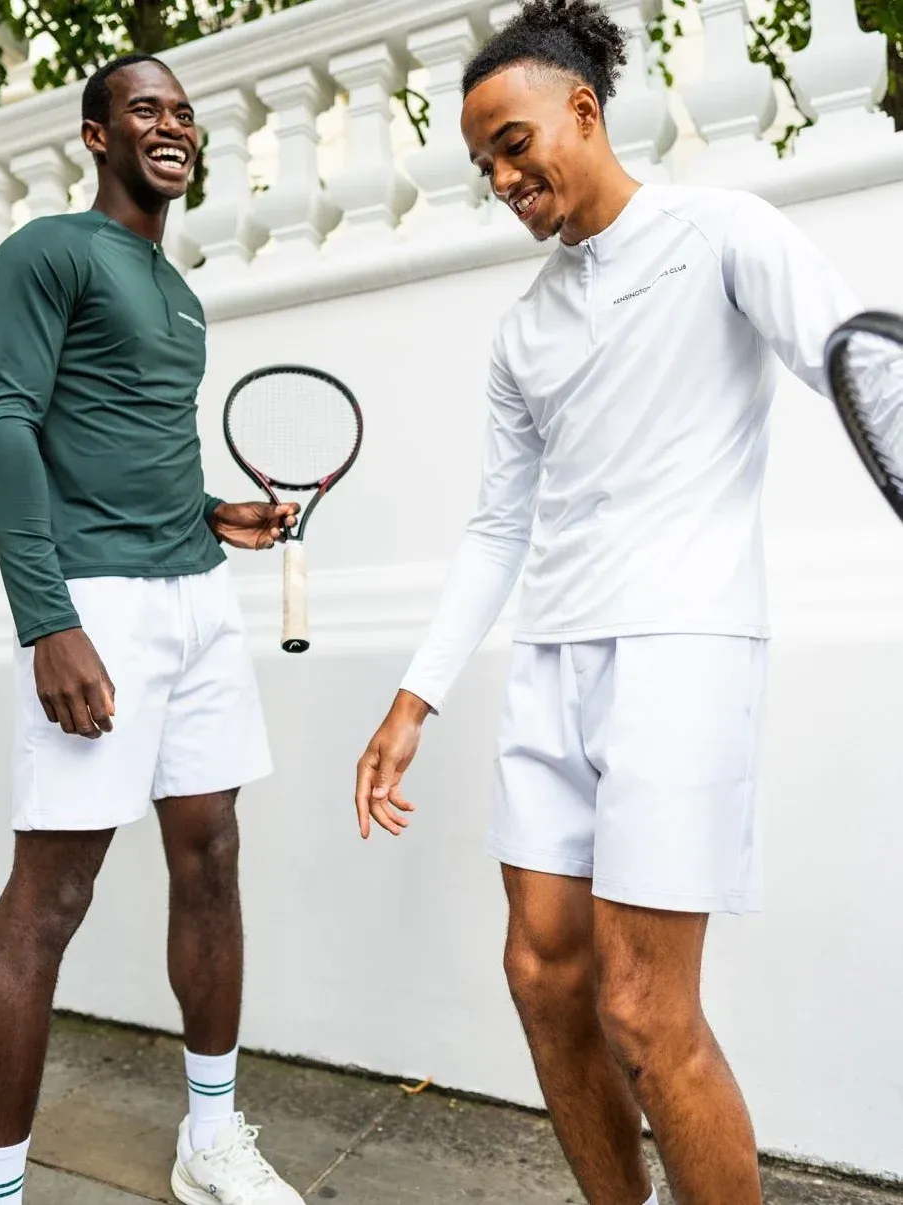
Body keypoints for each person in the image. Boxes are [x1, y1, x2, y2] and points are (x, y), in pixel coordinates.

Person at [354, 2, 861, 1203]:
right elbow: (498, 525)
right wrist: (414, 697)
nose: (501, 178)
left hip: (682, 651)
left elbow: (852, 359)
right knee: (542, 975)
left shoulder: (722, 233)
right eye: (483, 163)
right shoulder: (523, 329)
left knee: (643, 1005)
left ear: (582, 109)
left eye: (512, 144)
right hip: (551, 661)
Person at [0, 53, 304, 1205]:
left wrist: (211, 512)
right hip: (95, 603)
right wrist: (46, 620)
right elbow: (6, 424)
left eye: (185, 113)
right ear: (97, 136)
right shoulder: (46, 252)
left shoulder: (181, 293)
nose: (172, 125)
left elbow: (126, 438)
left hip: (199, 600)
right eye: (145, 109)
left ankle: (210, 1141)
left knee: (211, 855)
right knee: (50, 897)